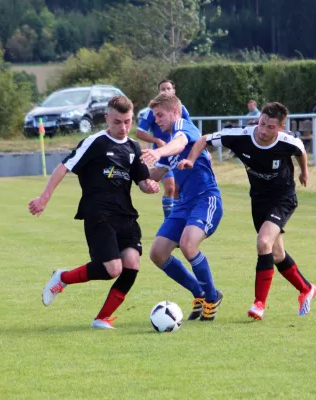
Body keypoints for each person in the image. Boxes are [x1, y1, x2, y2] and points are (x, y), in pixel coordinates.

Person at [28, 96, 160, 329]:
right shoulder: (95, 142)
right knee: (113, 269)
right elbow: (64, 167)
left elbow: (141, 180)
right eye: (118, 122)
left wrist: (149, 186)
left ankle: (102, 318)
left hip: (125, 215)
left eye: (128, 122)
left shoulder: (132, 147)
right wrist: (44, 197)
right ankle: (62, 277)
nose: (123, 128)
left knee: (132, 266)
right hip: (98, 212)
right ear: (107, 118)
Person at [178, 102, 316, 321]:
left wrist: (304, 173)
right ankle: (306, 289)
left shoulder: (287, 142)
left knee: (263, 243)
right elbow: (204, 139)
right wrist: (190, 159)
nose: (263, 130)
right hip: (259, 200)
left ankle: (259, 304)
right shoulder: (240, 136)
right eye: (262, 123)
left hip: (283, 199)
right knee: (277, 253)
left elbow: (300, 150)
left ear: (280, 128)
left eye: (270, 127)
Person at [140, 92, 224, 322]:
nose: (156, 120)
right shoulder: (169, 143)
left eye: (160, 115)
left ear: (175, 112)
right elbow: (155, 173)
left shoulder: (185, 127)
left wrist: (157, 150)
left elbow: (180, 144)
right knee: (157, 253)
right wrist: (134, 173)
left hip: (206, 199)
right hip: (183, 205)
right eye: (154, 116)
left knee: (188, 244)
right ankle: (198, 292)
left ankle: (211, 296)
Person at [136, 79, 191, 219]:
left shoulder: (181, 113)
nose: (165, 91)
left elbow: (188, 134)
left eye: (168, 88)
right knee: (171, 187)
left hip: (175, 154)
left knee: (177, 189)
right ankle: (170, 222)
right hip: (162, 155)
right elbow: (140, 132)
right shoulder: (152, 111)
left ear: (174, 91)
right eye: (162, 89)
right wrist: (156, 141)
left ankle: (176, 221)